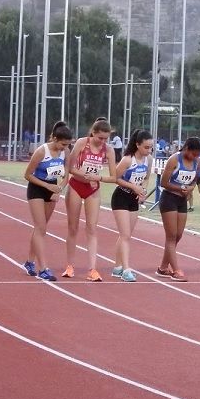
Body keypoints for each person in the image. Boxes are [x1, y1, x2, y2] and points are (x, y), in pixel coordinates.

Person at [61, 119, 117, 282]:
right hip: (76, 186)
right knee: (73, 227)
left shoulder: (109, 150)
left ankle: (92, 269)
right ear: (93, 133)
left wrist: (97, 177)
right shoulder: (81, 143)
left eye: (106, 139)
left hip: (93, 189)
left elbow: (113, 177)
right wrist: (82, 175)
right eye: (100, 138)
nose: (103, 142)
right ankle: (70, 266)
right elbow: (69, 167)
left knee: (92, 228)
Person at [23, 121, 72, 281]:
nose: (64, 147)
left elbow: (67, 173)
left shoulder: (66, 152)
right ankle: (43, 268)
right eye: (63, 144)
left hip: (52, 190)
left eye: (67, 145)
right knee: (41, 228)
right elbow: (27, 175)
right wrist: (47, 186)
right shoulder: (41, 151)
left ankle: (29, 262)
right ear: (55, 139)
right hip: (37, 188)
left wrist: (60, 188)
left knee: (40, 228)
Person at [156, 137, 200, 281]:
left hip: (182, 200)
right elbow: (164, 182)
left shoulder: (198, 162)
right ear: (186, 148)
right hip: (169, 198)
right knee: (171, 235)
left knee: (178, 235)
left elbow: (195, 180)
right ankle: (176, 270)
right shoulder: (174, 160)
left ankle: (163, 267)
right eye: (193, 154)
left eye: (198, 154)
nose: (196, 157)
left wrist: (190, 189)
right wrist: (181, 187)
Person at [110, 129, 154, 282]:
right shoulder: (128, 160)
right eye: (146, 147)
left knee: (125, 235)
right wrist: (133, 186)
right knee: (125, 235)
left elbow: (147, 177)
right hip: (121, 197)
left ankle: (117, 267)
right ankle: (126, 269)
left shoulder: (149, 160)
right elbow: (115, 177)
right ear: (137, 145)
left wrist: (142, 190)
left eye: (151, 148)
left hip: (134, 199)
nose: (149, 150)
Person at [188, 139, 200, 212]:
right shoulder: (190, 152)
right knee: (190, 190)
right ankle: (191, 206)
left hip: (199, 175)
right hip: (191, 174)